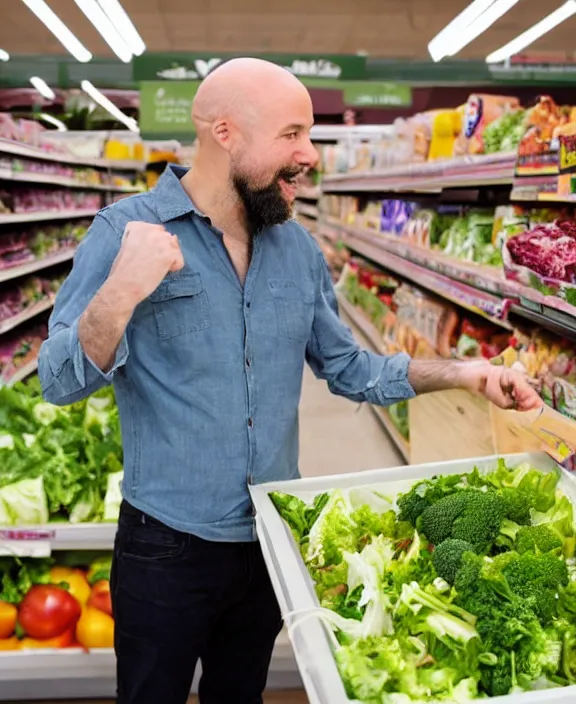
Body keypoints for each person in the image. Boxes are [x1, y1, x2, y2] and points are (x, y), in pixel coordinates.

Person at [37, 58, 542, 704]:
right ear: (225, 133)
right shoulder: (124, 234)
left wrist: (466, 373)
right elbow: (57, 381)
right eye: (292, 134)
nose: (309, 154)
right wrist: (121, 291)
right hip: (165, 548)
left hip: (269, 544)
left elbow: (351, 369)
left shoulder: (296, 250)